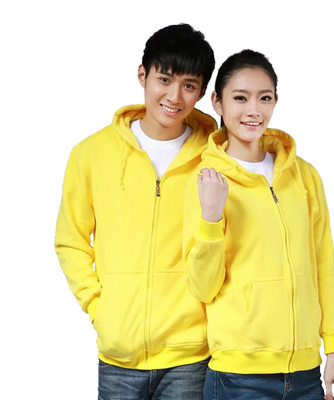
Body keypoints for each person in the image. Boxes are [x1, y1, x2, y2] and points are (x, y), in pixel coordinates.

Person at [55, 24, 216, 400]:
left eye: (189, 85)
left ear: (202, 93)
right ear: (143, 75)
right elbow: (70, 240)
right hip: (119, 357)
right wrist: (99, 308)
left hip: (191, 356)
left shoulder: (215, 156)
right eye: (164, 79)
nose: (174, 96)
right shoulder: (91, 153)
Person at [183, 50, 334, 400]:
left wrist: (332, 349)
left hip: (306, 374)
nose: (253, 110)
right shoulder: (204, 179)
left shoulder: (304, 176)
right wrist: (211, 218)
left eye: (265, 98)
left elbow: (323, 264)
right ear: (217, 102)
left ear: (275, 101)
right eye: (240, 98)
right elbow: (202, 288)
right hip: (238, 377)